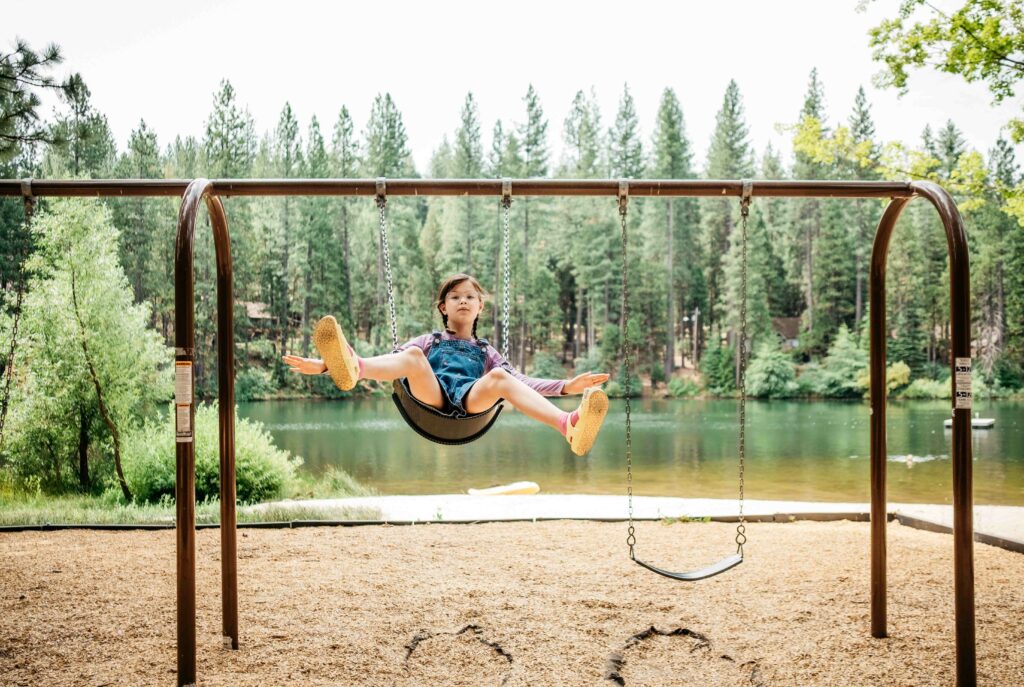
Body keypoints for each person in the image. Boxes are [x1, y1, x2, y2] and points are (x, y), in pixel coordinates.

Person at [282, 273, 610, 456]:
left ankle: (568, 425)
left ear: (480, 306)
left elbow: (518, 382)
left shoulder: (486, 351)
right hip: (432, 398)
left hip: (469, 404)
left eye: (469, 296)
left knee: (499, 376)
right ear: (444, 307)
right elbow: (395, 362)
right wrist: (327, 365)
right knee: (411, 357)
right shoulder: (429, 341)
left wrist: (566, 386)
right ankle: (353, 367)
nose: (463, 300)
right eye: (455, 297)